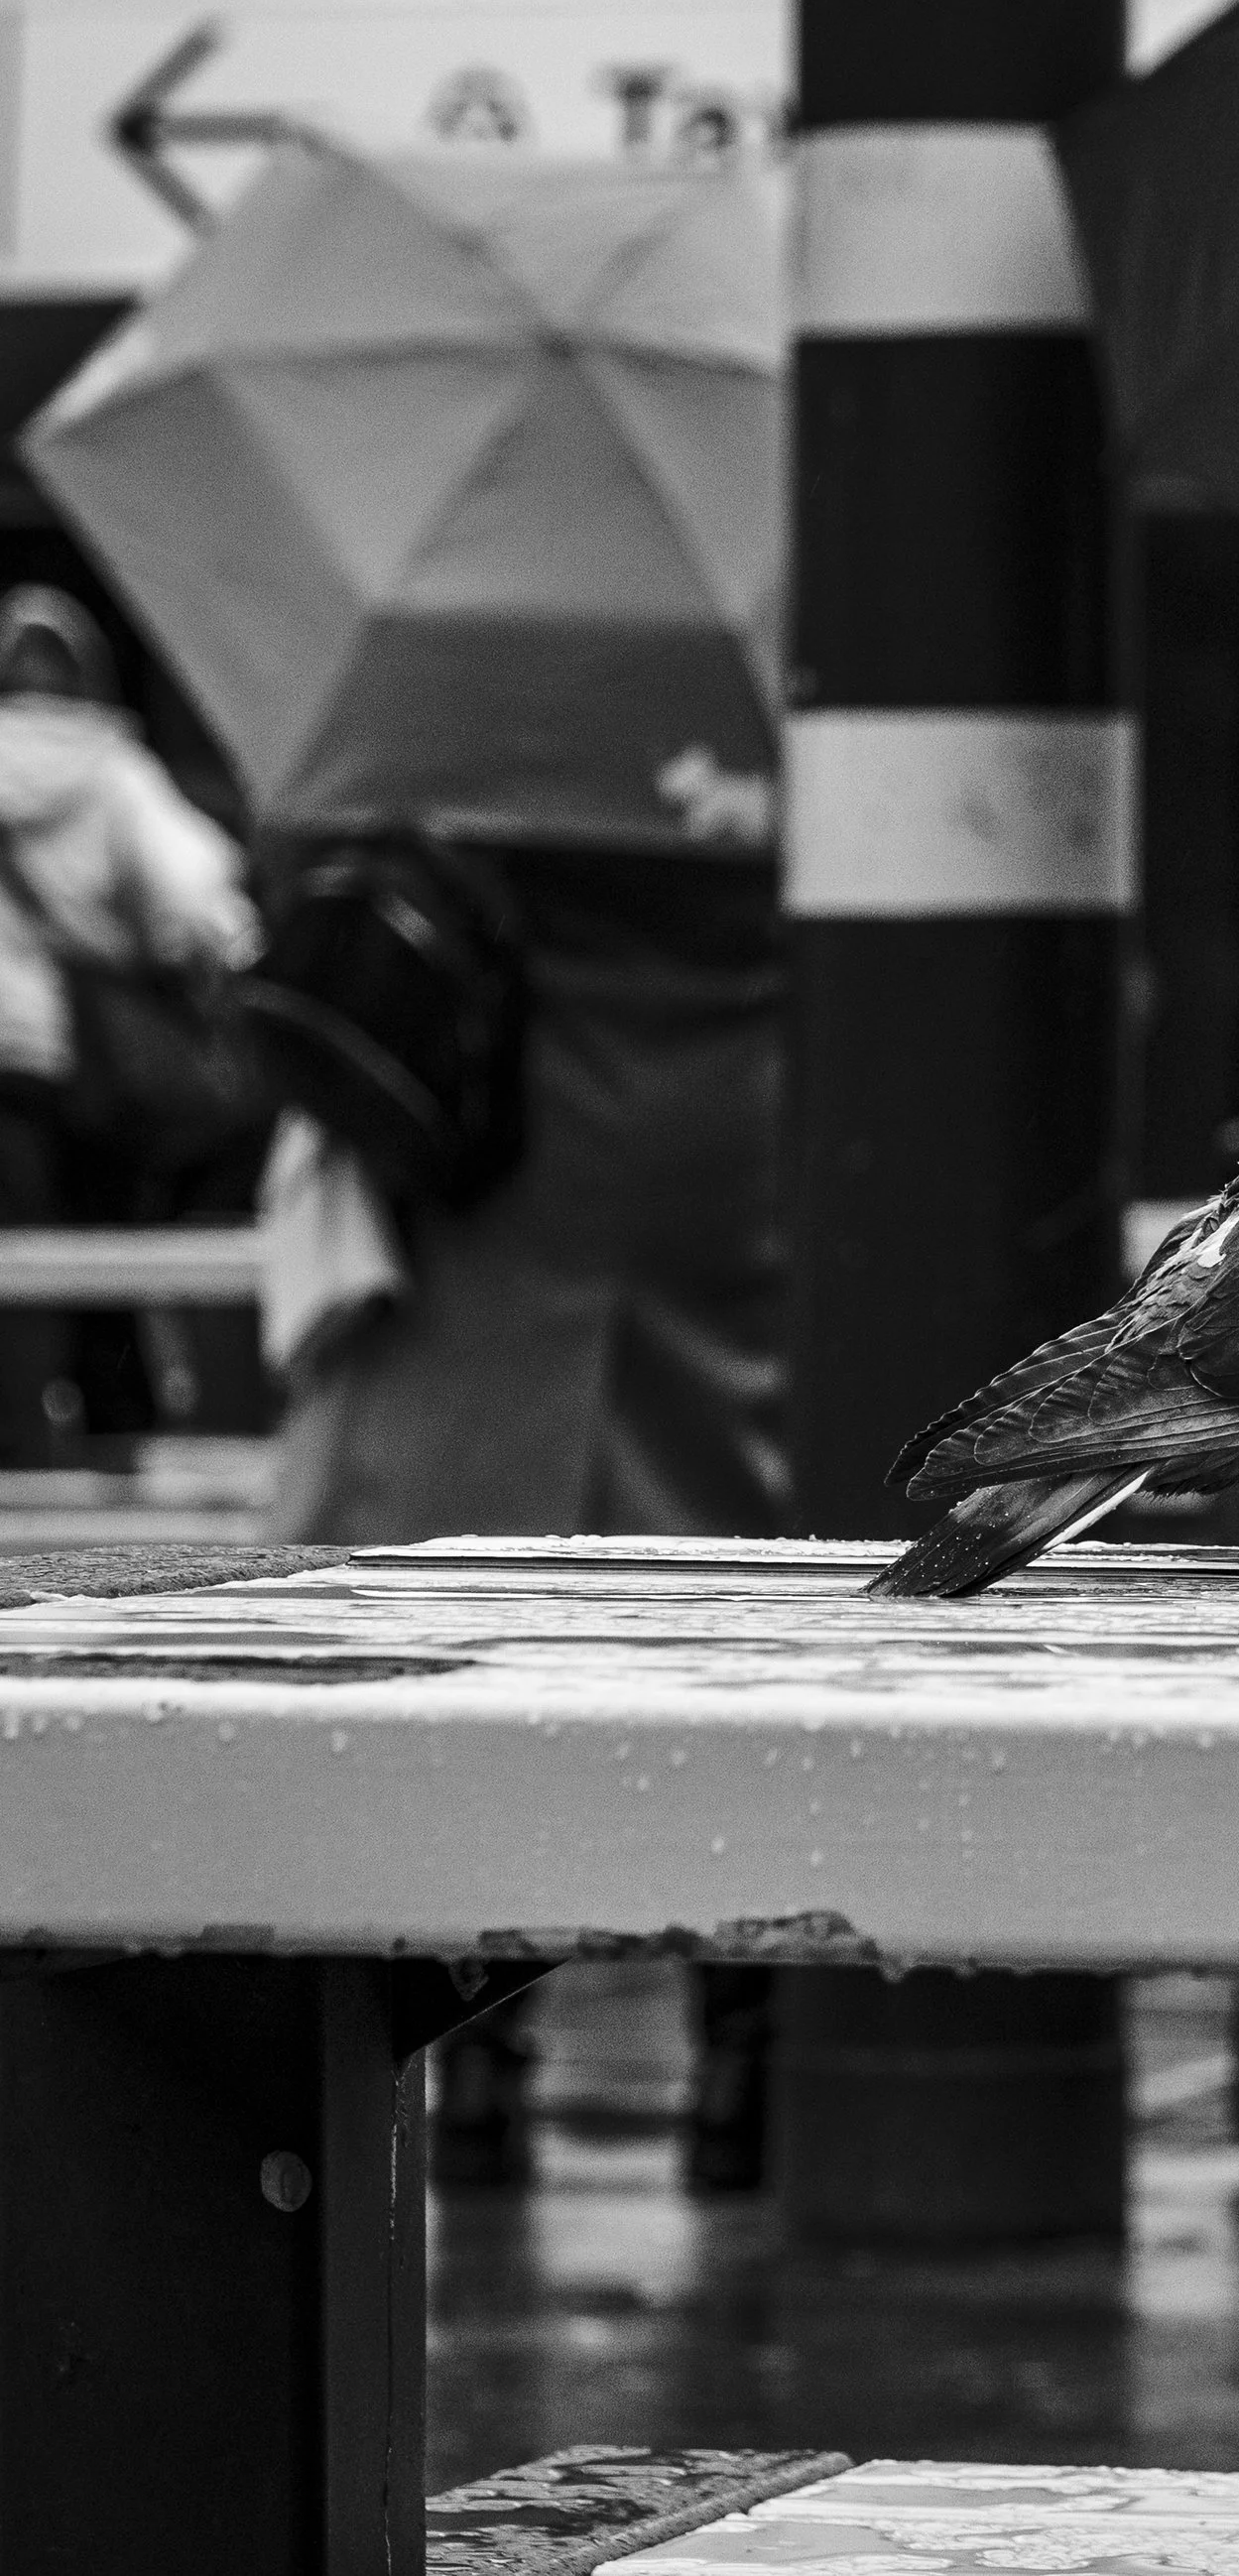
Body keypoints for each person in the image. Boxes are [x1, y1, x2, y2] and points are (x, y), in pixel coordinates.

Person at [266, 840, 789, 2185]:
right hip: (746, 1136)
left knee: (472, 1618)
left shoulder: (471, 710)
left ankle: (474, 2044)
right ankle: (748, 2040)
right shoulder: (780, 689)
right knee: (749, 1622)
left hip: (503, 1133)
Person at [0, 585, 259, 1458]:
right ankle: (111, 1440)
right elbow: (199, 895)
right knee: (90, 1251)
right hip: (66, 1062)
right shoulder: (108, 768)